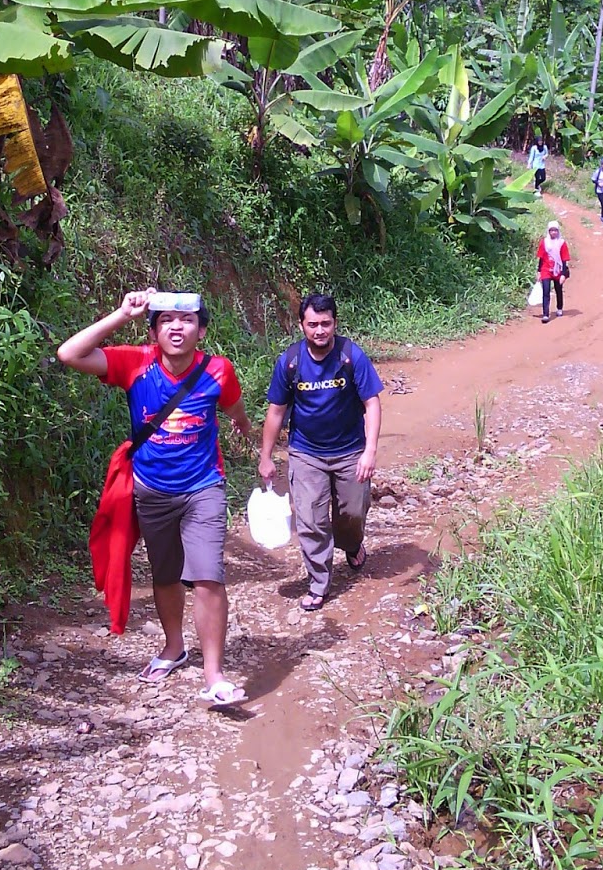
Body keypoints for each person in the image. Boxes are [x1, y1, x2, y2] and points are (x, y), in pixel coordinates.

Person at [57, 289, 253, 704]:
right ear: (154, 331)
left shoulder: (219, 369)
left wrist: (241, 424)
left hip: (204, 487)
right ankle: (173, 647)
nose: (177, 327)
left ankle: (214, 674)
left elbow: (235, 407)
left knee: (207, 575)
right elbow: (69, 354)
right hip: (152, 490)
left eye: (186, 321)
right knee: (164, 575)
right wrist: (121, 313)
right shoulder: (135, 363)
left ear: (201, 330)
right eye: (166, 321)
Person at [259, 293, 383, 612]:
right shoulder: (290, 362)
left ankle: (352, 544)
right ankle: (319, 582)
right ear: (301, 325)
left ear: (335, 324)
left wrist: (369, 451)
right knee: (311, 520)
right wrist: (266, 456)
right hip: (306, 453)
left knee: (352, 513)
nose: (319, 330)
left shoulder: (350, 356)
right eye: (312, 324)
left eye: (325, 324)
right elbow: (276, 412)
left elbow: (372, 403)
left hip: (350, 451)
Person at [536, 220, 570, 323]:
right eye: (551, 230)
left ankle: (559, 308)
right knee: (546, 291)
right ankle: (546, 314)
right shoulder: (544, 242)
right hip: (546, 269)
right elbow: (541, 258)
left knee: (558, 290)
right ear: (548, 231)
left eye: (555, 230)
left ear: (558, 231)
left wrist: (563, 274)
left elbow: (564, 260)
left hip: (558, 270)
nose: (553, 232)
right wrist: (539, 272)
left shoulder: (562, 243)